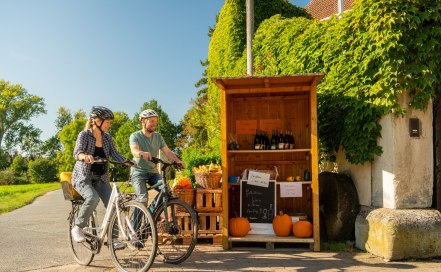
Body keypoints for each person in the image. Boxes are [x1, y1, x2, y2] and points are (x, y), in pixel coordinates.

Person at [70, 106, 133, 243]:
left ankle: (113, 239)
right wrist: (84, 156)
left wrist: (127, 161)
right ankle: (77, 227)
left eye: (110, 122)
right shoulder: (85, 135)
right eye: (107, 122)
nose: (109, 125)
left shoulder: (107, 138)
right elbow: (77, 152)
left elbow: (114, 154)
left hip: (101, 178)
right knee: (92, 198)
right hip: (83, 177)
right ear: (96, 121)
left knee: (113, 204)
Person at [129, 109, 185, 208]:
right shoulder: (135, 136)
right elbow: (134, 150)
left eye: (155, 121)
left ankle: (150, 213)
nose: (154, 124)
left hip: (153, 172)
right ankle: (135, 224)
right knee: (143, 199)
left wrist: (178, 161)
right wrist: (141, 153)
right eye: (151, 121)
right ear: (143, 121)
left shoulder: (158, 137)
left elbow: (168, 152)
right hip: (138, 172)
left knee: (166, 192)